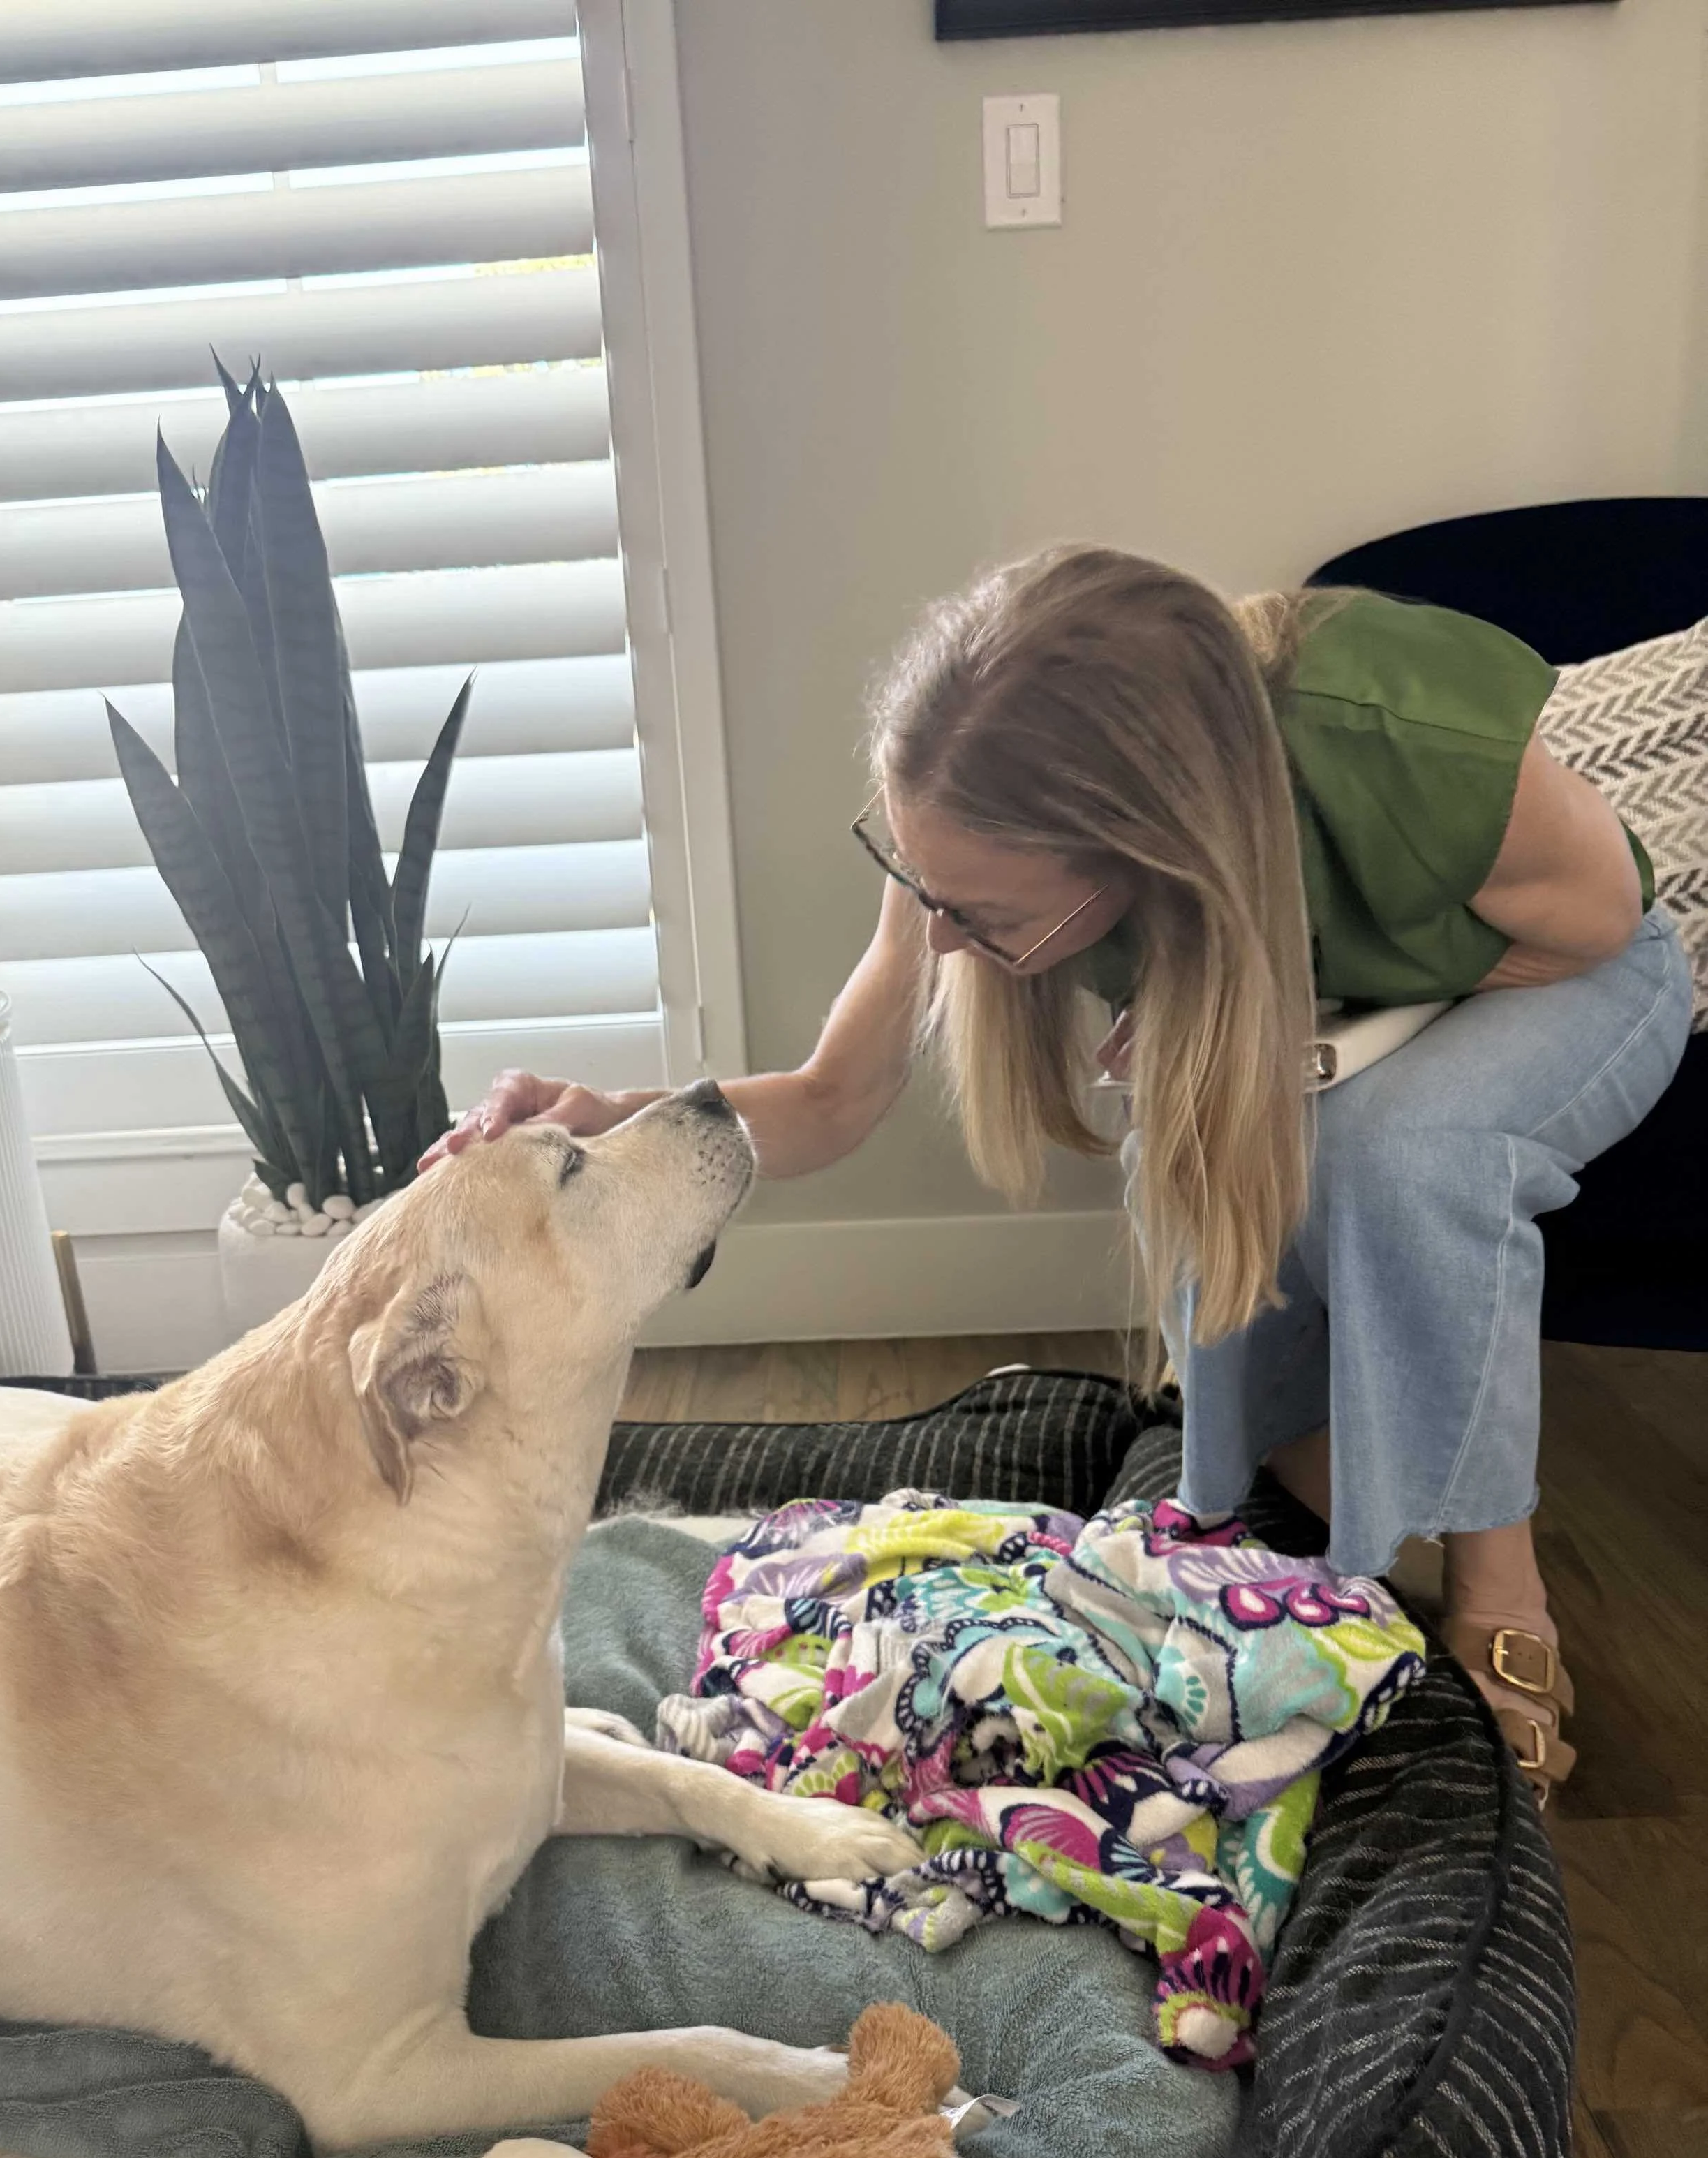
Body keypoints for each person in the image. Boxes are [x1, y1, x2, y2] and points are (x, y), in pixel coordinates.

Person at [423, 547, 1692, 1799]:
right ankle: (1310, 1488)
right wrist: (614, 1132)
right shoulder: (967, 816)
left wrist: (1279, 1031)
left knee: (1400, 1149)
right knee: (1192, 1139)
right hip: (1342, 1007)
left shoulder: (1393, 731)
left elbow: (1594, 926)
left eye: (980, 913)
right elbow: (830, 1098)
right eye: (925, 888)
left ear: (1141, 851)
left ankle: (1499, 1588)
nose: (940, 936)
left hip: (1569, 973)